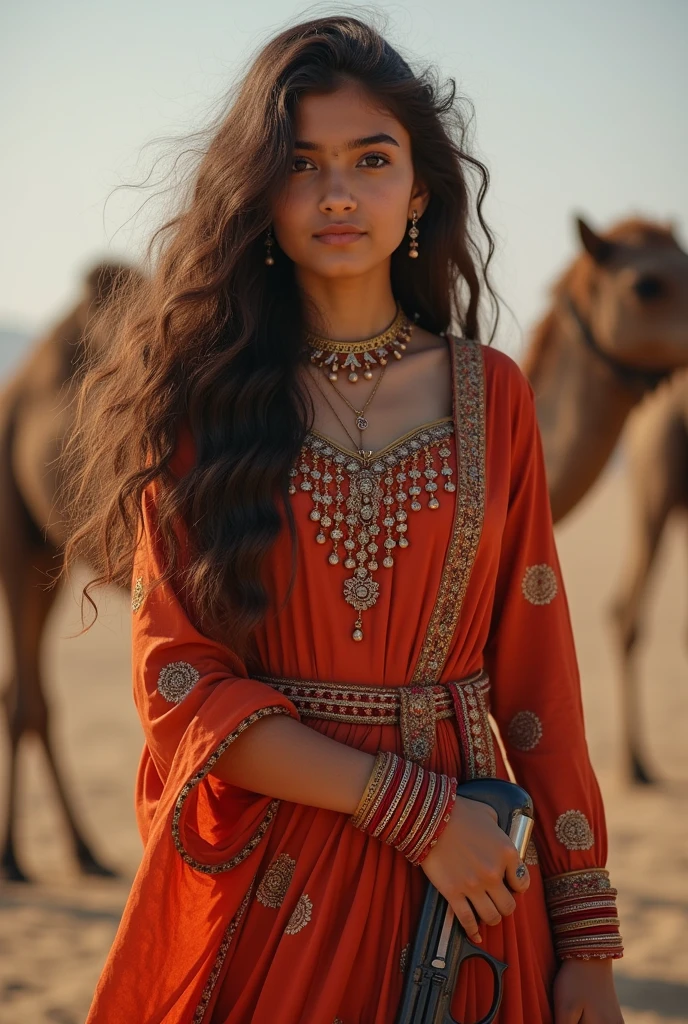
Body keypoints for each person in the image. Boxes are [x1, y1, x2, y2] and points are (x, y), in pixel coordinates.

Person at [63, 15, 624, 1024]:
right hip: (283, 874)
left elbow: (538, 676)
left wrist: (585, 935)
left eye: (370, 159)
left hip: (470, 893)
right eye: (301, 162)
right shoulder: (204, 404)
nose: (336, 192)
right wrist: (418, 816)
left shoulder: (490, 394)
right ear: (260, 193)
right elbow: (182, 687)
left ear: (418, 188)